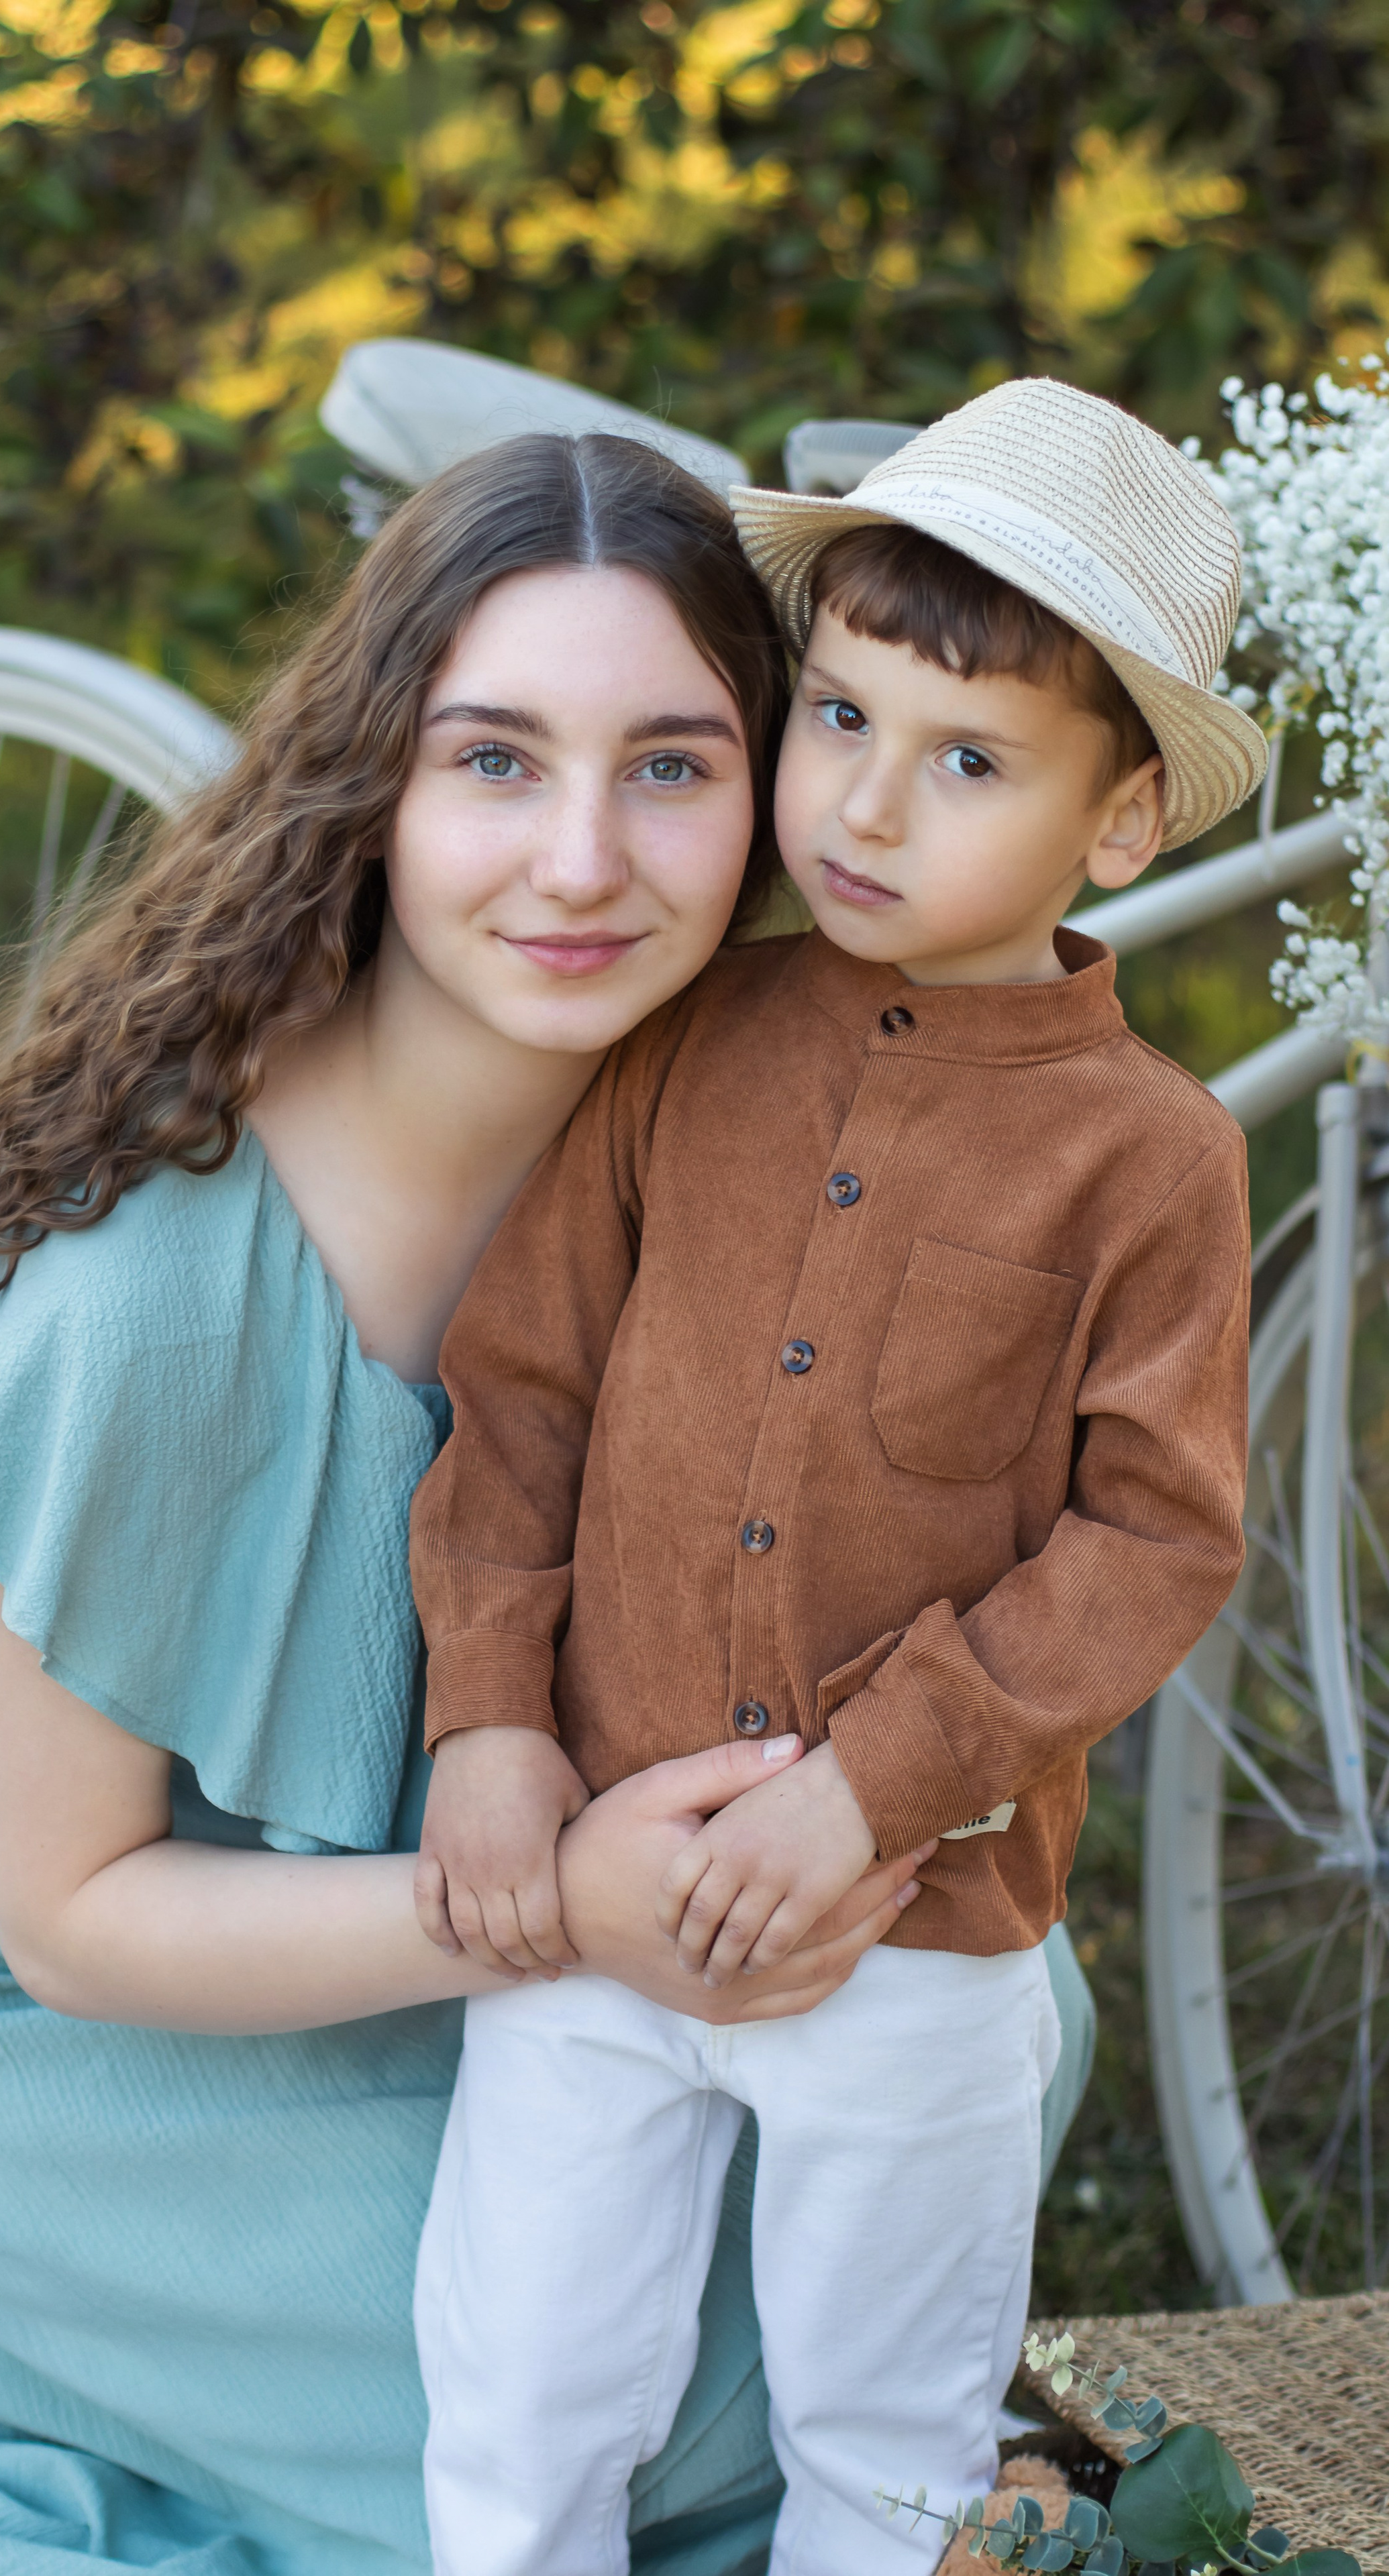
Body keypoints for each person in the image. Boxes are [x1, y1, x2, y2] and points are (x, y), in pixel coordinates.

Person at [0, 433, 938, 2576]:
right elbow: (72, 1916)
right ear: (377, 788)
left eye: (672, 767)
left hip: (440, 1952)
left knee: (969, 2061)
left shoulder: (736, 1146)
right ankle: (19, 2355)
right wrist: (576, 1920)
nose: (583, 864)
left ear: (769, 800)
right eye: (497, 763)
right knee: (681, 2407)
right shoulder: (146, 1303)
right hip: (41, 2027)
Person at [408, 380, 1262, 2576]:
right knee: (517, 2397)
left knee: (884, 2445)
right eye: (843, 719)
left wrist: (870, 1782)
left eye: (969, 761)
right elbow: (521, 1390)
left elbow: (1153, 1537)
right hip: (596, 1878)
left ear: (1127, 820)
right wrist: (491, 1719)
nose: (869, 806)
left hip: (913, 1930)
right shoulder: (693, 1036)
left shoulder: (1153, 1158)